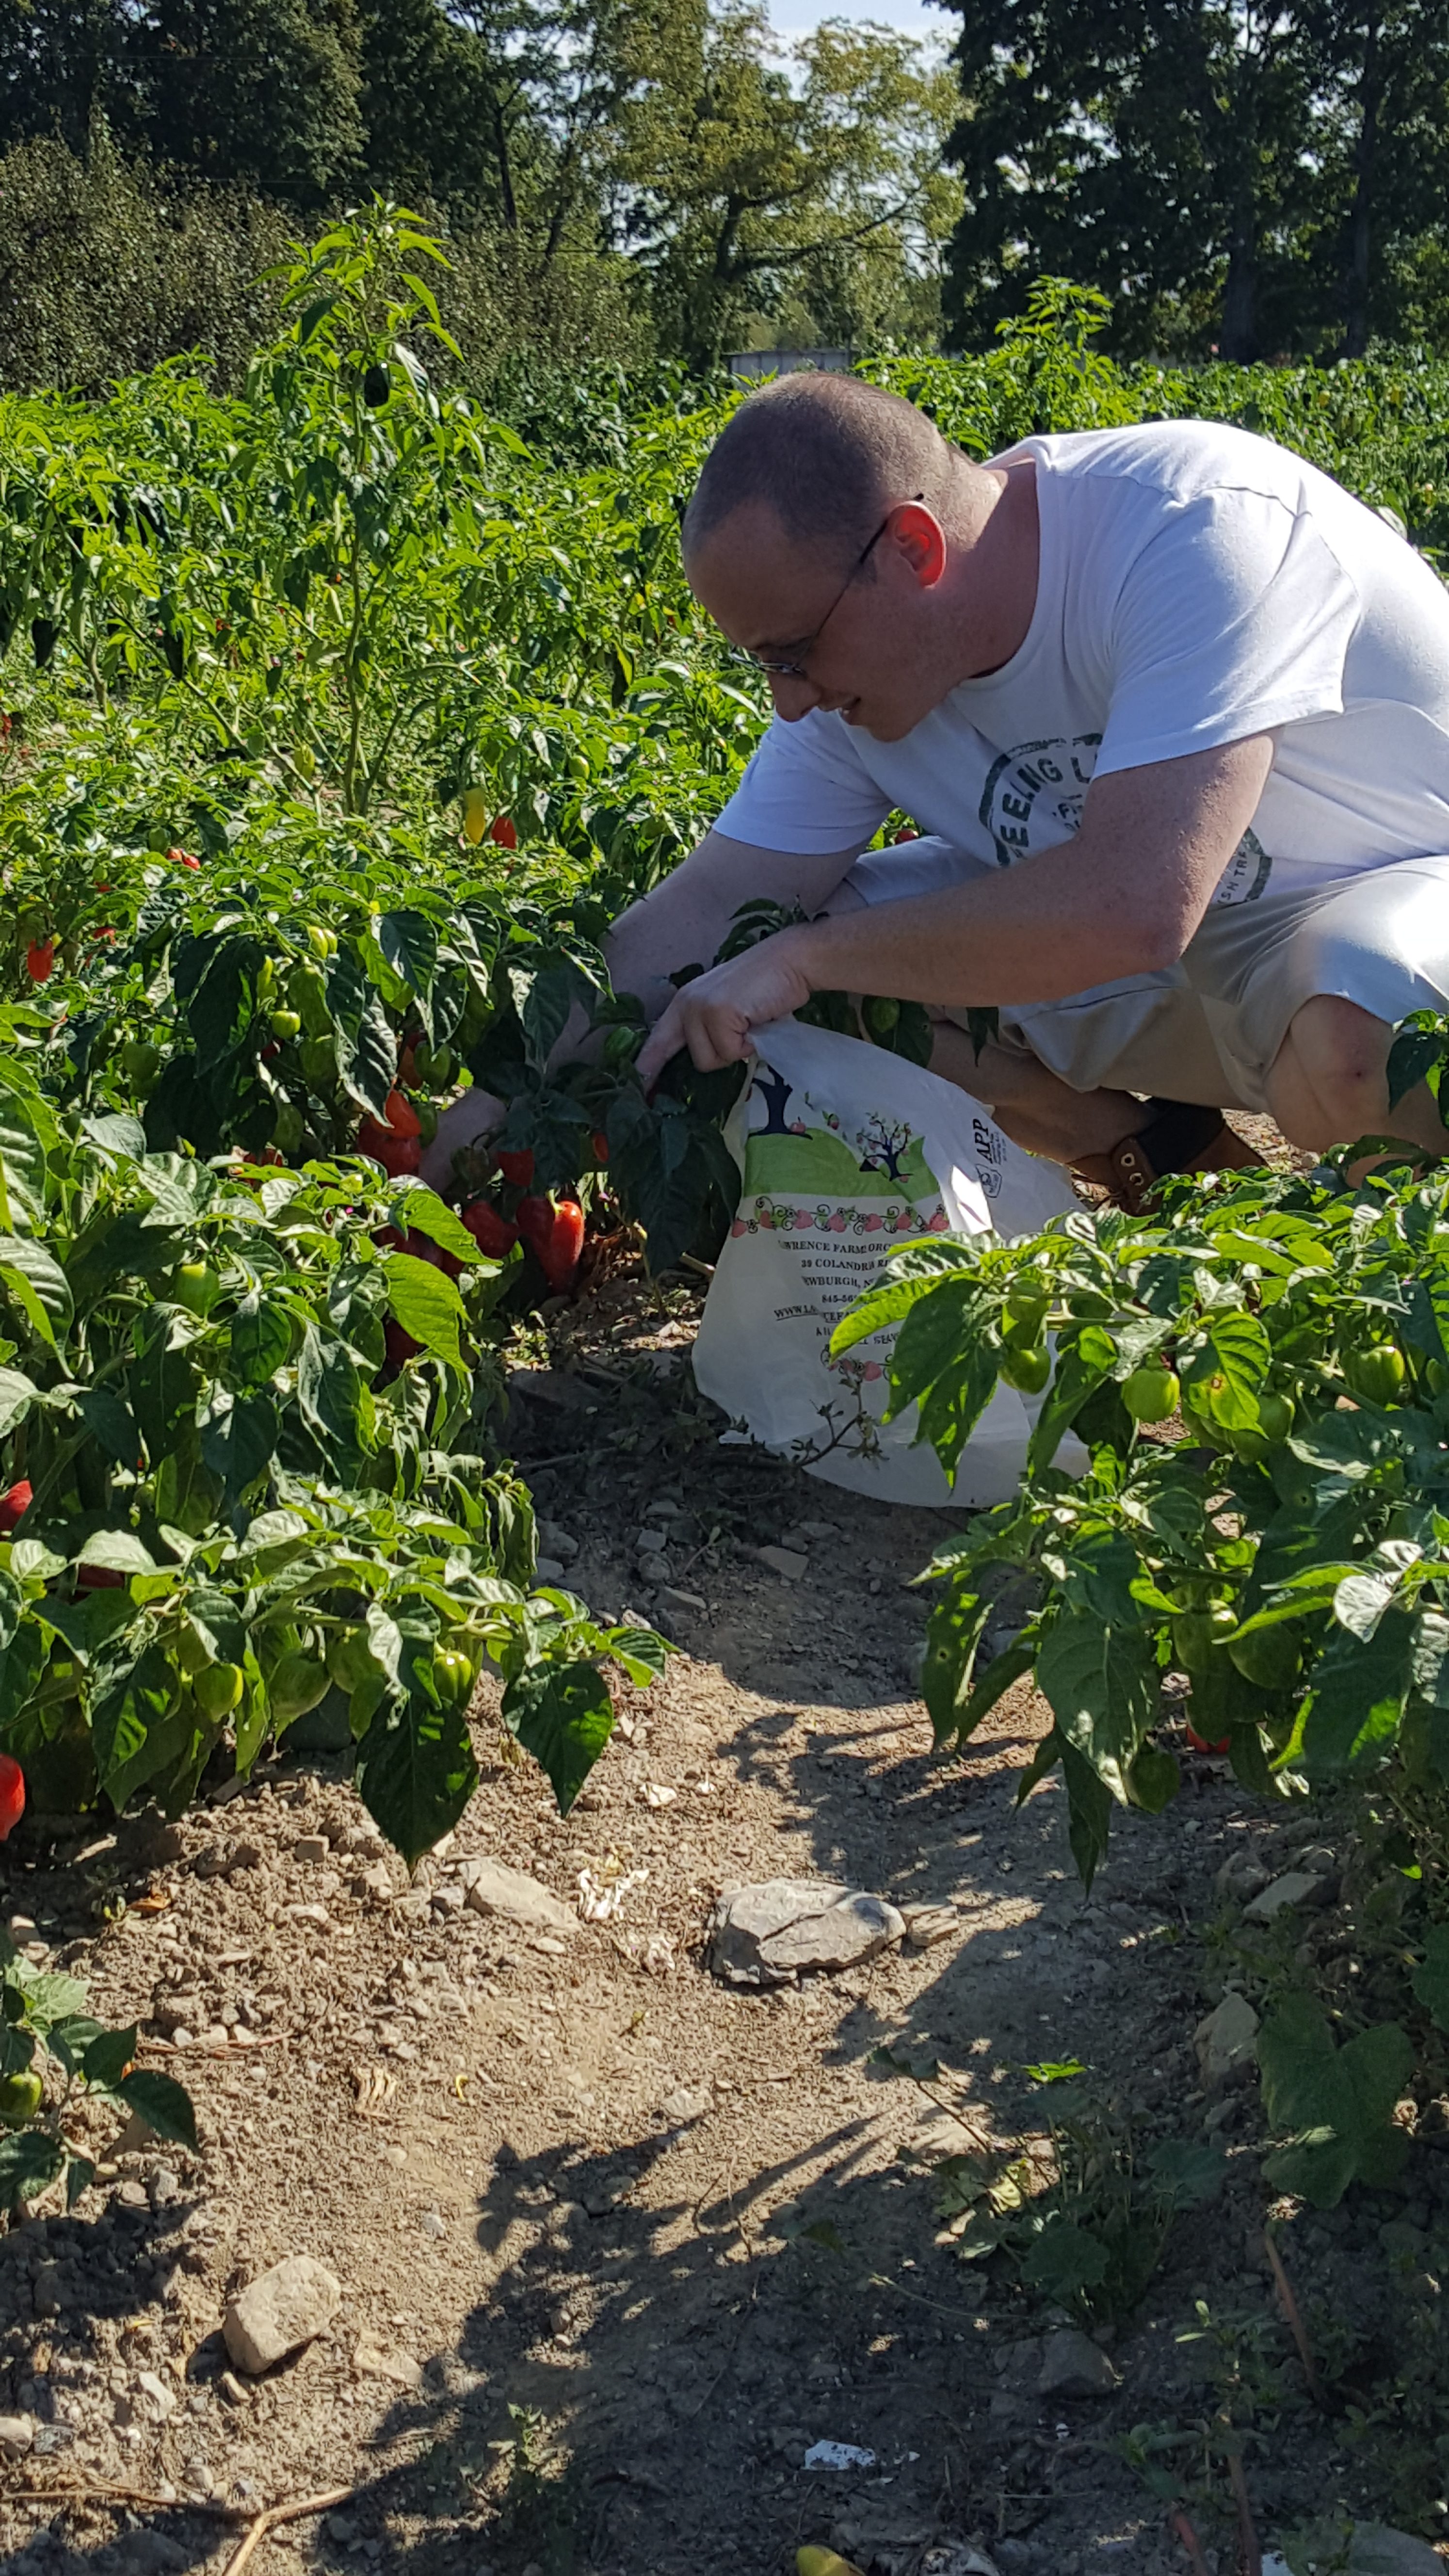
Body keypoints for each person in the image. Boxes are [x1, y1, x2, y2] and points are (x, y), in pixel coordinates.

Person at [424, 370, 1449, 1205]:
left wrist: (808, 955)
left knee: (1359, 1030)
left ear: (911, 549)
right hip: (1174, 969)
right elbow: (711, 905)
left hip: (1379, 901)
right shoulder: (855, 694)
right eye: (764, 666)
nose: (788, 702)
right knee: (760, 962)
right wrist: (501, 1091)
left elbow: (1139, 904)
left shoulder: (1193, 529)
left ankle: (1395, 1323)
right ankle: (1160, 1160)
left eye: (795, 652)